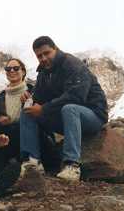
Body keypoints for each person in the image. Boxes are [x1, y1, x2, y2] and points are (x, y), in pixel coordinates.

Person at [20, 36, 108, 181]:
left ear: (55, 49)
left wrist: (44, 109)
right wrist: (29, 99)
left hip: (93, 115)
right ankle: (32, 163)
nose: (43, 58)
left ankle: (72, 165)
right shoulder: (44, 72)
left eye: (46, 53)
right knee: (28, 112)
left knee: (70, 108)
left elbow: (76, 97)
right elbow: (39, 97)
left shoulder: (73, 64)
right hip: (65, 117)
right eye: (39, 56)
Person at [0, 58, 33, 166]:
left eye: (16, 68)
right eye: (8, 69)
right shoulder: (0, 98)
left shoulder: (33, 91)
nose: (12, 71)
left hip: (28, 136)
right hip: (7, 138)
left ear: (23, 72)